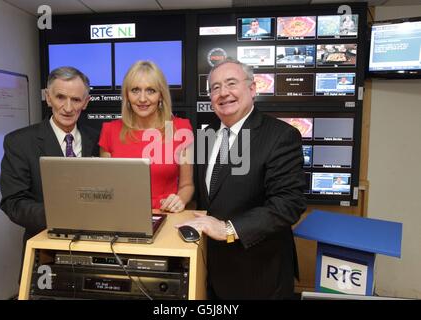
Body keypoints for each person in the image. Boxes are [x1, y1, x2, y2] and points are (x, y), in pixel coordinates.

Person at [178, 58, 307, 299]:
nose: (223, 93)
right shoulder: (206, 135)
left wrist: (228, 228)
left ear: (252, 88)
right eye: (215, 87)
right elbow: (213, 193)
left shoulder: (281, 136)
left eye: (231, 83)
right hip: (213, 271)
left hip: (259, 275)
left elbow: (288, 204)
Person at [0, 66, 100, 247]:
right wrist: (62, 216)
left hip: (95, 243)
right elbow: (13, 203)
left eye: (76, 100)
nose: (68, 108)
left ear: (86, 102)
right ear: (48, 97)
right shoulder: (20, 142)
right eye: (60, 97)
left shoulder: (97, 139)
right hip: (45, 245)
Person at [99, 61, 194, 213]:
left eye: (151, 91)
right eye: (135, 90)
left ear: (161, 95)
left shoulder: (180, 129)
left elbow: (187, 186)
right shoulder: (110, 130)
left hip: (165, 214)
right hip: (122, 215)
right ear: (127, 95)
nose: (142, 99)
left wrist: (179, 200)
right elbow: (107, 188)